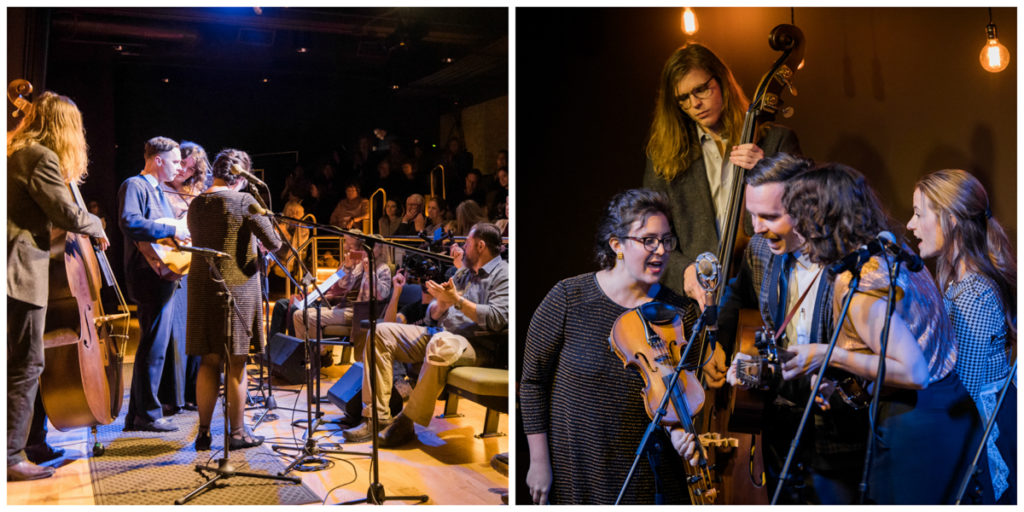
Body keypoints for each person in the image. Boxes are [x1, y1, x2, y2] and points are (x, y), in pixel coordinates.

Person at [773, 163, 986, 504]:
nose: (794, 231)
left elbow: (914, 371)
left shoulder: (863, 281)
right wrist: (842, 378)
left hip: (918, 423)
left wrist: (829, 354)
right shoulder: (886, 248)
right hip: (934, 413)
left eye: (797, 219)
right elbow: (893, 346)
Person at [521, 189, 699, 504]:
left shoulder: (680, 314)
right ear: (616, 244)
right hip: (576, 475)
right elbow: (533, 382)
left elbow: (680, 401)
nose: (660, 251)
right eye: (648, 240)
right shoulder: (568, 298)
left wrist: (681, 433)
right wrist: (538, 461)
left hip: (646, 482)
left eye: (666, 240)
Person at [711, 154, 868, 504]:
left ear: (806, 208)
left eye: (769, 216)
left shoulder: (850, 263)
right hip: (777, 430)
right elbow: (735, 300)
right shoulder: (759, 251)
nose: (756, 228)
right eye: (752, 215)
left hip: (836, 436)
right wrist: (717, 347)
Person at [642, 43, 800, 312]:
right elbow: (649, 234)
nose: (695, 104)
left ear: (723, 81)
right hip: (693, 305)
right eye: (683, 99)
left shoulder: (776, 141)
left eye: (701, 89)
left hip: (766, 293)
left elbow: (807, 212)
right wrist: (684, 272)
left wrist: (767, 169)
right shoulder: (664, 156)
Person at [7, 91, 109, 481]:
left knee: (21, 364)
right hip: (18, 275)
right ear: (65, 127)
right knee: (26, 365)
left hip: (18, 272)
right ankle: (12, 457)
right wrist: (96, 224)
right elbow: (64, 212)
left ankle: (28, 444)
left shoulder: (21, 152)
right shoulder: (39, 156)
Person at [342, 222, 508, 447]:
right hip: (443, 333)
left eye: (466, 244)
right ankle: (377, 418)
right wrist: (439, 305)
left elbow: (499, 318)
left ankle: (406, 421)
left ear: (480, 246)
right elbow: (433, 315)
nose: (461, 248)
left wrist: (457, 301)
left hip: (477, 344)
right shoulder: (464, 273)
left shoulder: (504, 274)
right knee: (381, 331)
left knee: (440, 343)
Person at [908, 169, 1016, 504]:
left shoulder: (973, 293)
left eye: (918, 214)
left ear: (951, 220)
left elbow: (962, 394)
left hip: (981, 439)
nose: (910, 225)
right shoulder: (956, 281)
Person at [186, 149, 283, 450]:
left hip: (202, 288)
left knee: (209, 360)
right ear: (241, 176)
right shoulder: (244, 201)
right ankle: (238, 433)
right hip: (237, 289)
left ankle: (203, 433)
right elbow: (275, 242)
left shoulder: (197, 203)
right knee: (236, 363)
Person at [118, 136, 189, 433]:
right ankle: (147, 414)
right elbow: (129, 222)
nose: (179, 168)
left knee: (154, 344)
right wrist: (171, 227)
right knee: (153, 346)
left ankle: (138, 414)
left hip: (161, 273)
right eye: (174, 161)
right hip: (147, 276)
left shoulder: (157, 190)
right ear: (158, 160)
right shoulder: (135, 185)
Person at [157, 140, 209, 415]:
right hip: (171, 263)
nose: (183, 172)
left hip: (194, 263)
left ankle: (192, 393)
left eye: (190, 170)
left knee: (194, 332)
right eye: (182, 165)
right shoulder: (160, 188)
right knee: (175, 333)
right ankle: (171, 396)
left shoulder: (196, 192)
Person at [292, 232, 393, 366]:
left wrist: (370, 273)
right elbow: (343, 285)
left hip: (360, 312)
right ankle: (313, 356)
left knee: (308, 317)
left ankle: (319, 357)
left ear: (380, 250)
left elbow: (381, 294)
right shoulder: (360, 265)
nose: (367, 250)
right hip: (345, 306)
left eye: (372, 248)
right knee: (298, 315)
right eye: (366, 247)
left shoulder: (383, 269)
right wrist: (347, 267)